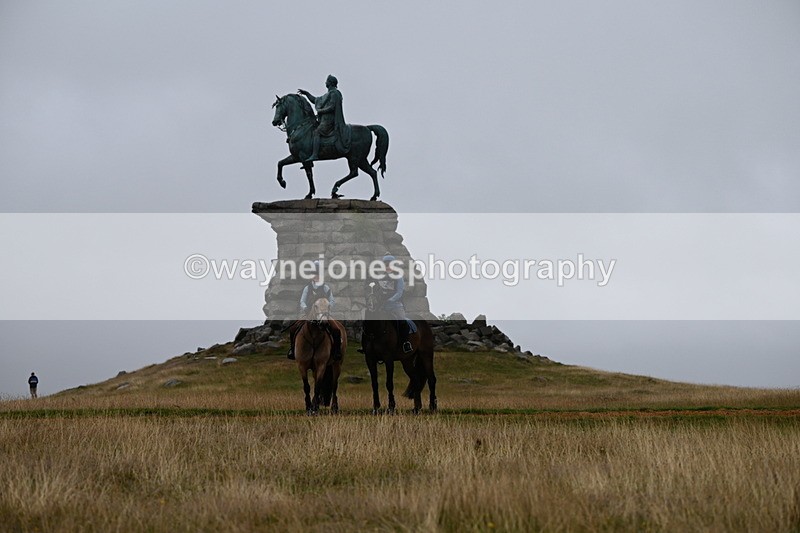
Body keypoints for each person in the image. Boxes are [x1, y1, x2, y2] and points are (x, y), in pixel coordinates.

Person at [287, 261, 343, 361]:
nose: (316, 276)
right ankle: (292, 350)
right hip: (309, 314)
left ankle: (336, 352)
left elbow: (332, 301)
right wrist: (305, 308)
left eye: (317, 274)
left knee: (336, 329)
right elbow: (302, 301)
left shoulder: (326, 288)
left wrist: (327, 307)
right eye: (314, 274)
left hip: (324, 314)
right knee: (293, 328)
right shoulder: (307, 288)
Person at [297, 74, 351, 162]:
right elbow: (315, 100)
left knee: (317, 132)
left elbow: (332, 107)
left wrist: (321, 111)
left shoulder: (335, 93)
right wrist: (306, 94)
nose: (325, 82)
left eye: (327, 81)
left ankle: (315, 155)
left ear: (330, 83)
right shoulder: (327, 95)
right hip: (324, 120)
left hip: (330, 121)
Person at [376, 254, 416, 353]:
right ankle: (368, 344)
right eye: (385, 264)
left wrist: (390, 300)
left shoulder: (398, 277)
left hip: (395, 306)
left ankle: (406, 343)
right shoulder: (379, 277)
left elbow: (399, 292)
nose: (387, 266)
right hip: (381, 307)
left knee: (402, 322)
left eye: (389, 264)